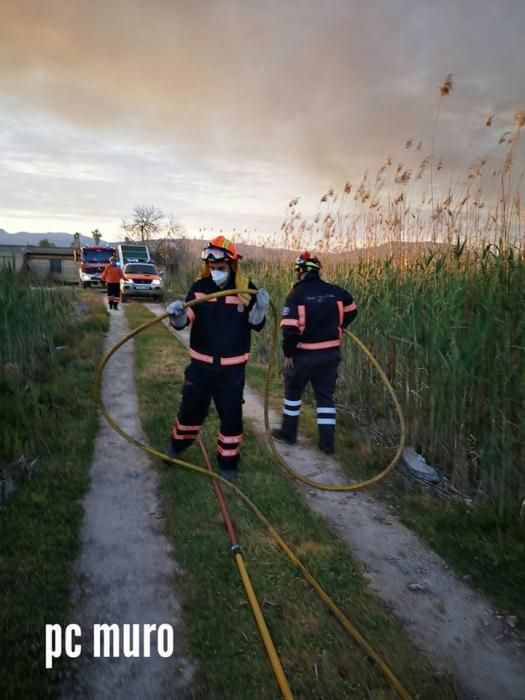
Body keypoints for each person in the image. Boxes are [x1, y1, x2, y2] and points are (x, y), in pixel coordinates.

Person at [166, 235, 270, 480]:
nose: (215, 272)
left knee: (232, 416)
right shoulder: (200, 288)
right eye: (212, 268)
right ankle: (176, 447)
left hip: (232, 371)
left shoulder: (245, 289)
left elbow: (256, 324)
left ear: (232, 265)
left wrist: (260, 308)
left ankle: (228, 463)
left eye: (220, 268)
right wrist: (176, 315)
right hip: (201, 366)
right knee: (191, 410)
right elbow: (185, 321)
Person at [272, 251, 357, 455]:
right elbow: (352, 310)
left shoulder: (297, 295)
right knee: (325, 398)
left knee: (293, 394)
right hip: (330, 355)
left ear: (300, 272)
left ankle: (289, 433)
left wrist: (288, 355)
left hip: (303, 357)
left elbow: (290, 329)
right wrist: (340, 326)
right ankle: (327, 444)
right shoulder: (336, 291)